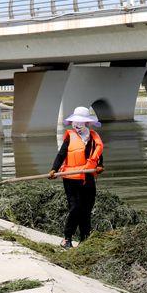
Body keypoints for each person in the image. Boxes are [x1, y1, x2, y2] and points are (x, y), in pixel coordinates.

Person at [49, 106, 104, 248]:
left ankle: (84, 240)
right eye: (75, 122)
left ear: (87, 123)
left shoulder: (93, 138)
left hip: (88, 179)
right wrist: (54, 169)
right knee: (75, 208)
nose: (77, 125)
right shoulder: (70, 138)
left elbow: (98, 156)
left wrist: (100, 167)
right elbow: (61, 155)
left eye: (80, 123)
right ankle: (67, 239)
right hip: (71, 179)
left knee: (86, 210)